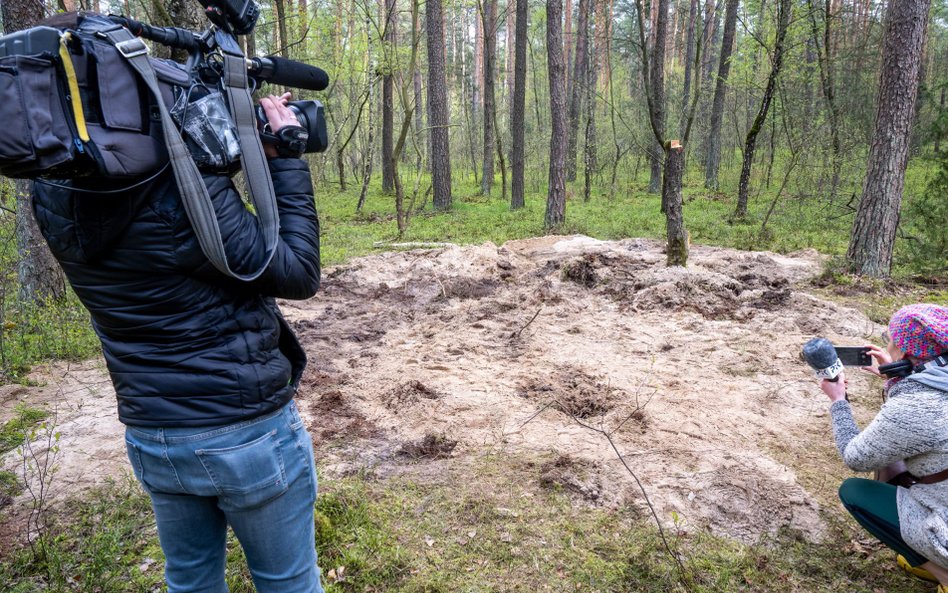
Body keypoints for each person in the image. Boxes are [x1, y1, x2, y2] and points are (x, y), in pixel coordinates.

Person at [31, 94, 324, 593]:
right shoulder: (184, 187)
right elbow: (297, 271)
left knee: (190, 582)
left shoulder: (51, 187)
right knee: (289, 582)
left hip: (154, 434)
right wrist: (285, 160)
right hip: (243, 429)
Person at [820, 304, 948, 591]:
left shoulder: (916, 405)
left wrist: (838, 400)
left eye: (892, 340)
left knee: (855, 492)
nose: (887, 344)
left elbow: (856, 456)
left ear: (904, 353)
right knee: (893, 461)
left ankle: (945, 573)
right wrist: (897, 378)